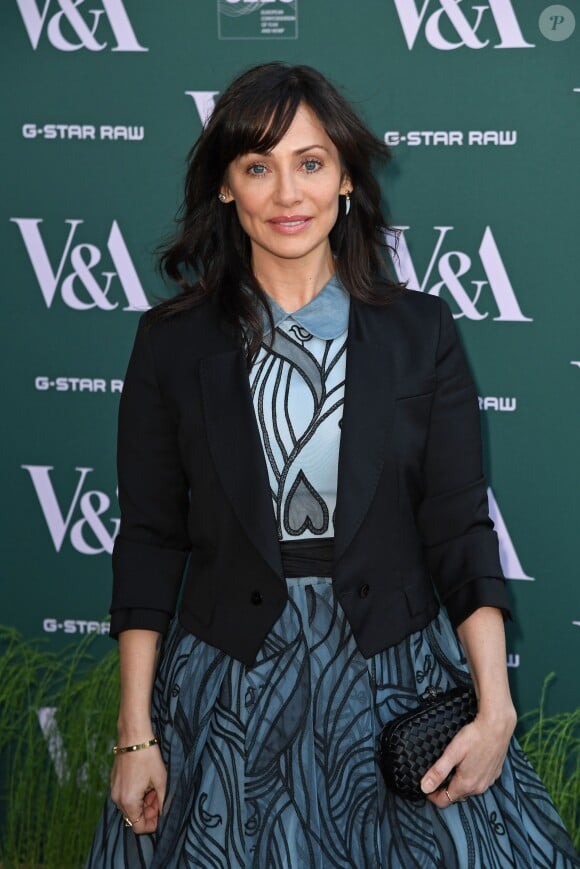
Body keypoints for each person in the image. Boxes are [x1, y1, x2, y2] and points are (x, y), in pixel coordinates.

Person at [87, 63, 578, 868]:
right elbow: (147, 540)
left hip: (395, 676)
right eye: (258, 166)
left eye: (311, 162)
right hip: (229, 686)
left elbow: (459, 526)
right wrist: (134, 733)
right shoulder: (172, 343)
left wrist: (495, 712)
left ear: (345, 177)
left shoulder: (420, 332)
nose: (288, 193)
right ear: (224, 188)